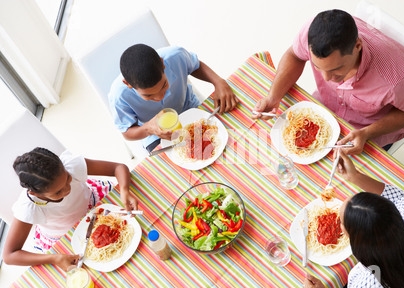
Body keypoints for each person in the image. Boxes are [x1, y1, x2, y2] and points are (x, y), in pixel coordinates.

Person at [253, 9, 404, 155]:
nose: (326, 78)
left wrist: (367, 133)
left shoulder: (397, 80)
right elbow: (295, 56)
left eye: (336, 69)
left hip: (367, 131)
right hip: (326, 107)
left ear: (357, 46)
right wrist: (273, 97)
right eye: (317, 67)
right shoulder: (312, 32)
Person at [304, 152, 404, 288]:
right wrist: (355, 176)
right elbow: (398, 197)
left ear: (356, 239)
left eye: (340, 222)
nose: (339, 224)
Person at [2, 147, 139, 272]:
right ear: (36, 194)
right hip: (64, 234)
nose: (68, 189)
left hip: (94, 203)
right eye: (58, 192)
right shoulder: (30, 207)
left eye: (68, 178)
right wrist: (55, 258)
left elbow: (118, 168)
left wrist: (124, 191)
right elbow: (10, 255)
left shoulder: (70, 166)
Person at [108, 44, 239, 152]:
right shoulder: (118, 96)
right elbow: (126, 132)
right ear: (128, 84)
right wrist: (148, 128)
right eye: (148, 95)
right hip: (156, 134)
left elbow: (195, 65)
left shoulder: (176, 55)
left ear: (162, 64)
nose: (159, 97)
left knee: (227, 139)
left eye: (164, 85)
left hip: (189, 107)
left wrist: (218, 82)